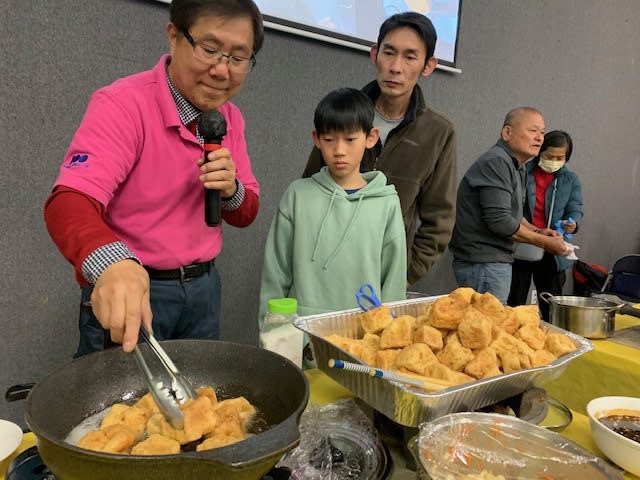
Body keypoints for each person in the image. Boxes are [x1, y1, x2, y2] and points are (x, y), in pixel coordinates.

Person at [44, 0, 264, 355]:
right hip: (138, 288)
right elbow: (69, 201)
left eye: (238, 58)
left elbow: (246, 212)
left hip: (204, 289)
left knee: (196, 400)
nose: (222, 71)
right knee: (122, 405)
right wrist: (113, 263)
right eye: (209, 50)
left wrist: (231, 190)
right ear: (174, 36)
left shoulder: (230, 118)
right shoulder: (122, 104)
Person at [302, 12, 457, 286]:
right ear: (374, 54)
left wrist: (404, 275)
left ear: (428, 65)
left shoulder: (438, 132)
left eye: (410, 57)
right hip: (323, 269)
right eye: (389, 52)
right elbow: (310, 189)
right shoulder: (343, 113)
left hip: (385, 278)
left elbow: (439, 221)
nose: (395, 67)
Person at [259, 87, 407, 324]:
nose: (339, 150)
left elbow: (393, 281)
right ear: (316, 139)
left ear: (371, 138)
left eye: (350, 139)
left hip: (364, 334)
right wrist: (273, 331)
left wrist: (389, 335)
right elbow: (275, 273)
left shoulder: (386, 203)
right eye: (329, 139)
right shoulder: (298, 195)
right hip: (302, 330)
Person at [448, 107, 569, 304]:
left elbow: (513, 215)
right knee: (487, 328)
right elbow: (501, 222)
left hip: (492, 262)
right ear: (507, 133)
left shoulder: (516, 165)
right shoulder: (496, 162)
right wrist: (544, 243)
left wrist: (539, 231)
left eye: (542, 132)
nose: (539, 138)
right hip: (483, 264)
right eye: (532, 131)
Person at [508, 131, 584, 319]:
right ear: (540, 151)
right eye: (549, 156)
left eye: (560, 158)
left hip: (552, 249)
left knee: (552, 305)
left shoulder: (570, 180)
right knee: (514, 302)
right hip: (523, 243)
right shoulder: (524, 172)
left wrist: (573, 223)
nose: (554, 161)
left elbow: (576, 208)